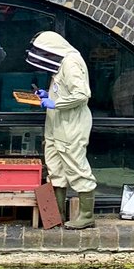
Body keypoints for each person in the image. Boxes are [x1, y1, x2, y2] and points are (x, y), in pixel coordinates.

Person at [26, 30, 96, 229]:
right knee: (55, 168)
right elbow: (61, 91)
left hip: (71, 125)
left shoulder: (71, 62)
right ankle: (57, 215)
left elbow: (82, 95)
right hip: (55, 125)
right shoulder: (59, 64)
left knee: (76, 167)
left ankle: (86, 216)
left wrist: (55, 104)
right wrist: (45, 95)